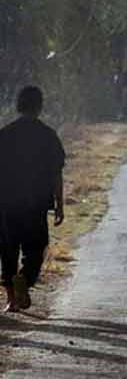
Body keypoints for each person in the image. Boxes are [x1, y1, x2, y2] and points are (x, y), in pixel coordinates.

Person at [0, 86, 65, 313]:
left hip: (6, 204)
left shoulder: (5, 134)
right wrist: (60, 204)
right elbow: (57, 173)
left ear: (19, 105)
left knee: (8, 251)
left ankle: (11, 300)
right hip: (35, 204)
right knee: (35, 250)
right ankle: (24, 281)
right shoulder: (48, 136)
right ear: (39, 105)